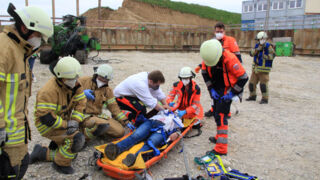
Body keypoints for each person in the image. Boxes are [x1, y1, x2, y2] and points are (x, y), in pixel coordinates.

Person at [0, 3, 53, 179]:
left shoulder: (22, 52)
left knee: (18, 168)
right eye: (38, 35)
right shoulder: (4, 49)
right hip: (4, 134)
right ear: (24, 28)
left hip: (16, 134)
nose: (40, 40)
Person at [29, 57, 86, 174]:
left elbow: (81, 103)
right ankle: (60, 164)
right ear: (61, 77)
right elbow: (47, 118)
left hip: (63, 120)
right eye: (71, 78)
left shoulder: (75, 85)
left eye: (76, 77)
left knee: (72, 152)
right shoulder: (48, 92)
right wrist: (67, 125)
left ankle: (42, 152)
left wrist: (75, 121)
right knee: (76, 139)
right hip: (46, 124)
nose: (75, 81)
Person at [199, 39, 248, 155]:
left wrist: (232, 93)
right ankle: (219, 137)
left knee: (221, 116)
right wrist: (211, 89)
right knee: (216, 112)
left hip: (227, 90)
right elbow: (204, 73)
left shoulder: (230, 59)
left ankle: (221, 148)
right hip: (217, 89)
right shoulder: (209, 56)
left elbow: (244, 77)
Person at [196, 22, 242, 118]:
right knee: (214, 92)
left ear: (224, 31)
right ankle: (214, 109)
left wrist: (235, 68)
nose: (219, 33)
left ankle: (226, 112)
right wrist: (201, 65)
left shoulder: (230, 41)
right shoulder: (211, 42)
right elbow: (208, 57)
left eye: (221, 31)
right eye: (217, 31)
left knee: (225, 92)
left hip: (226, 70)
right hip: (213, 69)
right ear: (214, 31)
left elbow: (237, 57)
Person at [104, 112, 183, 167]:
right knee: (136, 135)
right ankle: (116, 149)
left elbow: (180, 130)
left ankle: (134, 158)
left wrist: (177, 133)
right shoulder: (163, 110)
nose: (175, 111)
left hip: (163, 130)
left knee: (151, 142)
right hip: (151, 122)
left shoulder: (178, 120)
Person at [78, 64, 129, 140]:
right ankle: (83, 137)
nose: (102, 81)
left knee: (120, 131)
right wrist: (81, 93)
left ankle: (97, 129)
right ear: (96, 74)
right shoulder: (83, 81)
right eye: (101, 78)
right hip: (82, 115)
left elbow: (114, 108)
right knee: (96, 122)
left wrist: (125, 121)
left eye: (105, 80)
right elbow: (67, 92)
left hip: (97, 115)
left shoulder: (108, 90)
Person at [246, 31, 275, 104]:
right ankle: (252, 96)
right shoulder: (257, 46)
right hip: (255, 69)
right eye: (259, 40)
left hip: (264, 70)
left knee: (263, 85)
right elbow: (251, 54)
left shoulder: (268, 46)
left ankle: (265, 99)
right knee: (251, 84)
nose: (260, 41)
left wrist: (265, 56)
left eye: (261, 39)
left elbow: (273, 56)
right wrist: (257, 49)